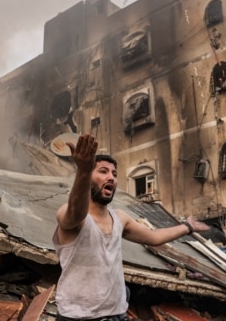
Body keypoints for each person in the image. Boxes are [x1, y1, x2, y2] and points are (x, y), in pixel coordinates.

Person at [53, 133, 210, 321]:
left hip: (117, 314)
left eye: (114, 174)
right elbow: (75, 214)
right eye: (103, 171)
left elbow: (153, 237)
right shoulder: (68, 213)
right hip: (78, 317)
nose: (111, 177)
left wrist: (188, 227)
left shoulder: (119, 217)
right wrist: (84, 171)